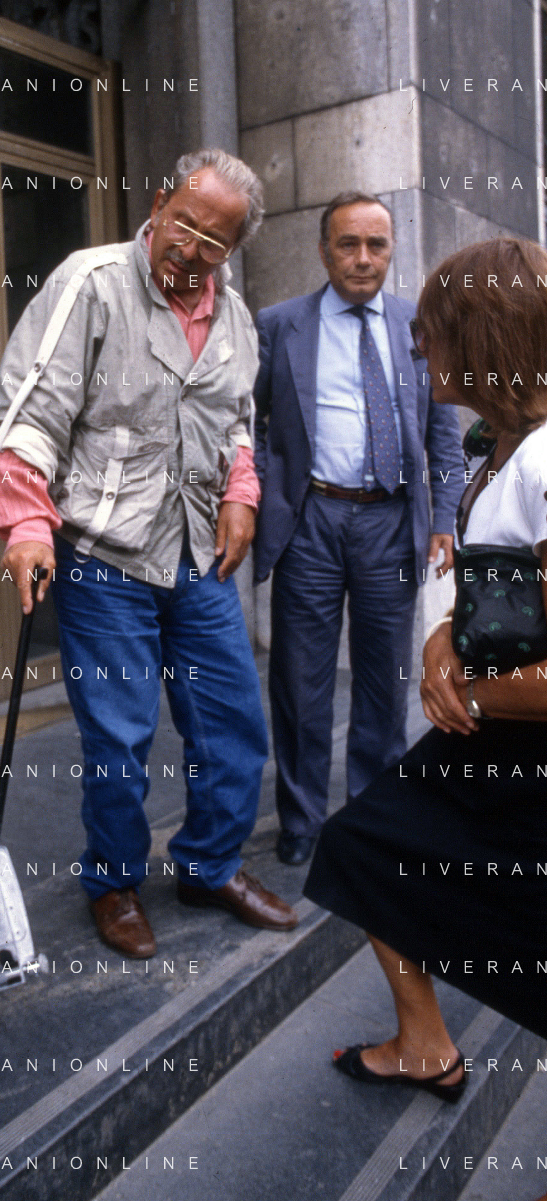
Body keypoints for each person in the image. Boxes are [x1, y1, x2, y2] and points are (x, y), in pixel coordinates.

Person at [0, 149, 298, 959]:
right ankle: (113, 880)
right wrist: (25, 523)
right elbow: (32, 412)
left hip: (197, 554)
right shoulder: (90, 282)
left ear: (234, 250)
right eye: (182, 224)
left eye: (212, 241)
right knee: (118, 739)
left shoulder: (235, 317)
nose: (188, 249)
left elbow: (235, 422)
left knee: (233, 722)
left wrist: (240, 493)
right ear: (158, 204)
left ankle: (208, 864)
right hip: (102, 554)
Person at [304, 236, 547, 1103]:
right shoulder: (501, 443)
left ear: (481, 337)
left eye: (430, 330)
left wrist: (470, 689)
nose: (417, 345)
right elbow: (498, 581)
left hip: (521, 747)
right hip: (488, 735)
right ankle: (422, 1044)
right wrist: (444, 634)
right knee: (364, 845)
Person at [253, 191, 463, 866]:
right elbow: (247, 423)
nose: (363, 258)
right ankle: (301, 820)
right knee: (299, 679)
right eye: (348, 244)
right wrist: (264, 492)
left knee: (383, 679)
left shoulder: (417, 325)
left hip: (391, 521)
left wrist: (445, 514)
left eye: (376, 244)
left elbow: (442, 429)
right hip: (309, 521)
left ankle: (372, 816)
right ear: (324, 251)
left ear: (391, 249)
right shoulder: (279, 324)